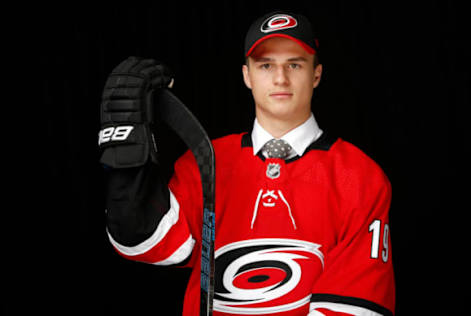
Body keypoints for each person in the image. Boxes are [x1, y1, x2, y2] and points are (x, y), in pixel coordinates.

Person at [100, 10, 395, 316]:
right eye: (266, 65)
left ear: (316, 74)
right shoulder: (205, 160)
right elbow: (147, 243)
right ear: (247, 75)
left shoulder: (360, 176)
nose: (280, 78)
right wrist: (127, 156)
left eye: (294, 64)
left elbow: (355, 307)